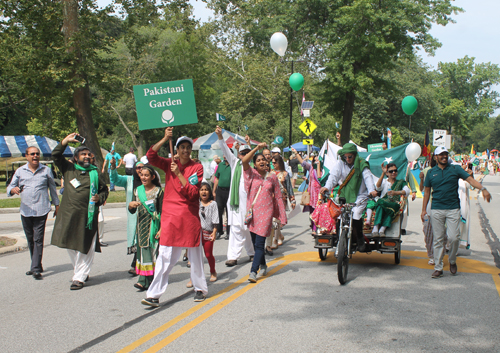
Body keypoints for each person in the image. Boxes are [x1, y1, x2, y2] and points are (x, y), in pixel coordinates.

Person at [141, 128, 207, 307]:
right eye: (182, 147)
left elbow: (193, 193)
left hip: (189, 217)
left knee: (194, 256)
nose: (185, 150)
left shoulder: (197, 167)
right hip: (170, 217)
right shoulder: (168, 163)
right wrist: (165, 138)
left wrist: (178, 173)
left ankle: (200, 288)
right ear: (176, 150)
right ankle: (154, 295)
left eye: (188, 147)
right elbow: (151, 156)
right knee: (164, 257)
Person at [421, 146, 491, 278]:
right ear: (435, 157)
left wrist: (483, 189)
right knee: (438, 239)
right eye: (441, 154)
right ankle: (438, 267)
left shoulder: (455, 169)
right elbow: (427, 192)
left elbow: (470, 180)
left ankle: (452, 260)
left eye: (446, 154)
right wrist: (424, 210)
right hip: (436, 209)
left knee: (454, 238)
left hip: (453, 208)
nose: (444, 156)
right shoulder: (430, 173)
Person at [51, 133, 109, 290]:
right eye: (83, 154)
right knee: (71, 244)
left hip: (87, 216)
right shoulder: (68, 169)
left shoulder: (95, 173)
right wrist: (65, 141)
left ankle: (79, 277)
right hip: (69, 215)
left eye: (89, 154)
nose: (87, 156)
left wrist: (100, 197)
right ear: (76, 158)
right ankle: (81, 271)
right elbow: (55, 155)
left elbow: (104, 190)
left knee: (86, 245)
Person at [7, 147, 59, 280]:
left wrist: (57, 205)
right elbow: (10, 187)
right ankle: (36, 264)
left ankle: (35, 268)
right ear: (27, 156)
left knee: (38, 239)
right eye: (32, 154)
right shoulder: (20, 171)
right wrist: (13, 189)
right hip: (26, 210)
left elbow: (52, 188)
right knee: (30, 239)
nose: (35, 156)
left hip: (42, 209)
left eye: (37, 154)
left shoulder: (46, 170)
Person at [242, 142, 287, 282]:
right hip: (253, 214)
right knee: (256, 243)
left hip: (266, 214)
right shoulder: (251, 174)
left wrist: (283, 216)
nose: (262, 161)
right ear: (254, 164)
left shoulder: (272, 177)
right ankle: (262, 264)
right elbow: (244, 161)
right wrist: (256, 148)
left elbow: (279, 196)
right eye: (258, 160)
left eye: (263, 159)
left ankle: (253, 272)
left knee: (260, 243)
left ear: (267, 163)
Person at [320, 143, 378, 252]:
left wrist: (371, 190)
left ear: (355, 155)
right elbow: (333, 176)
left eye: (350, 156)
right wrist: (327, 187)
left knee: (356, 215)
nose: (347, 159)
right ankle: (339, 239)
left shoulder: (361, 164)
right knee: (339, 216)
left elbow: (368, 177)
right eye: (345, 156)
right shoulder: (340, 164)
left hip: (360, 196)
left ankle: (360, 239)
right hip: (344, 195)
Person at [215, 126, 255, 267]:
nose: (244, 155)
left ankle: (252, 253)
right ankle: (233, 257)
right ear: (239, 154)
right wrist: (220, 136)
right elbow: (225, 149)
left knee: (248, 229)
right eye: (242, 153)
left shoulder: (253, 168)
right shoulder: (234, 163)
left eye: (247, 153)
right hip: (235, 204)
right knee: (236, 229)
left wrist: (249, 145)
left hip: (249, 204)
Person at [128, 164, 163, 291]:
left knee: (152, 252)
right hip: (141, 225)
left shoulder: (158, 191)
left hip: (154, 225)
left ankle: (150, 280)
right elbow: (132, 210)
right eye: (142, 175)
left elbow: (163, 211)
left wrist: (161, 228)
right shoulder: (137, 191)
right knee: (142, 252)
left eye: (146, 175)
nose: (143, 177)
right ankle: (143, 280)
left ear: (152, 177)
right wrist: (131, 205)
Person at [110, 159, 144, 274]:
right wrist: (113, 167)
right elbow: (115, 179)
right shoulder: (129, 180)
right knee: (136, 238)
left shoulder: (148, 180)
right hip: (133, 215)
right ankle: (137, 263)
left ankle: (136, 264)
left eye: (142, 167)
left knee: (144, 238)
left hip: (146, 214)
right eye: (138, 167)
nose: (140, 170)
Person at [187, 182, 219, 286]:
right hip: (196, 233)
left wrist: (214, 233)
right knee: (195, 257)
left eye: (206, 190)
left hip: (208, 233)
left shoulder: (213, 204)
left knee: (208, 254)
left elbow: (215, 220)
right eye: (201, 190)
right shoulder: (196, 203)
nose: (204, 192)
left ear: (209, 192)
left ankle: (213, 271)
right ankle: (194, 277)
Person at [371, 163, 410, 237]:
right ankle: (375, 228)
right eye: (391, 171)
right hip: (382, 202)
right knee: (380, 203)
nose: (394, 173)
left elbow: (407, 191)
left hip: (393, 203)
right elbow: (378, 187)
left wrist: (396, 192)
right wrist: (383, 173)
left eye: (395, 171)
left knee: (392, 207)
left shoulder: (400, 182)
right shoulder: (385, 181)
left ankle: (382, 229)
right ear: (387, 173)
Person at [293, 148, 322, 236]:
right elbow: (303, 163)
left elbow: (319, 177)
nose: (315, 160)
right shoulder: (310, 167)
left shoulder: (322, 169)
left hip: (319, 193)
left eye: (317, 158)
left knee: (319, 210)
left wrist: (319, 165)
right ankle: (313, 227)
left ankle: (318, 227)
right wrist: (296, 153)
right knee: (312, 211)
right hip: (311, 192)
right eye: (314, 158)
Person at [269, 155, 295, 249]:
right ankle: (279, 236)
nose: (273, 164)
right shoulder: (270, 173)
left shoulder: (285, 174)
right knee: (272, 220)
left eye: (275, 162)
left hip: (281, 199)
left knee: (277, 220)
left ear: (280, 163)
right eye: (272, 163)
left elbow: (289, 188)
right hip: (271, 199)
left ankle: (275, 240)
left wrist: (292, 200)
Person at [419, 157, 437, 265]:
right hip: (430, 205)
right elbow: (423, 190)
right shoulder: (427, 171)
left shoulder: (447, 171)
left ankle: (438, 255)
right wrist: (423, 209)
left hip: (444, 206)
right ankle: (431, 254)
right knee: (428, 231)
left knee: (441, 233)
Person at [213, 156, 231, 240]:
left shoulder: (233, 164)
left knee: (229, 211)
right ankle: (219, 231)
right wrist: (214, 191)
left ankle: (229, 232)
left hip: (229, 191)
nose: (225, 156)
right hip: (220, 191)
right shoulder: (220, 165)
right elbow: (217, 178)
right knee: (218, 211)